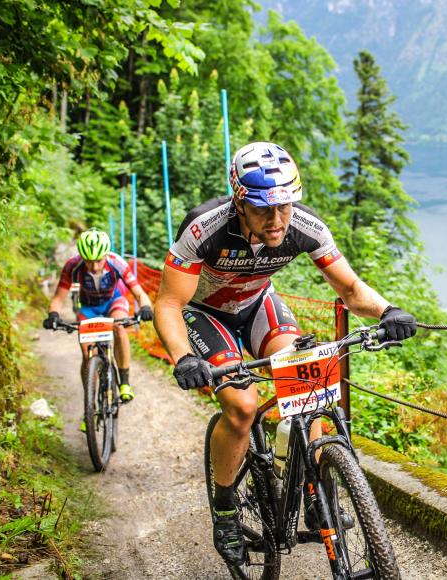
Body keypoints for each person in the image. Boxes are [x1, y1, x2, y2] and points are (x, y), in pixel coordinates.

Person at [153, 141, 417, 564]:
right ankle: (224, 509)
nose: (277, 221)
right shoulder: (204, 228)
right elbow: (167, 303)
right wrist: (185, 357)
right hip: (206, 313)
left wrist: (388, 310)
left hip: (259, 304)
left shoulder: (305, 225)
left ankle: (315, 491)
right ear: (240, 202)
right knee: (241, 407)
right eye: (263, 209)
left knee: (308, 385)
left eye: (286, 207)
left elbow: (349, 289)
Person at [43, 229, 154, 418]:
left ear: (106, 255)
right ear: (81, 257)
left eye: (99, 260)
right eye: (89, 261)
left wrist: (145, 307)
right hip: (88, 308)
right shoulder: (72, 265)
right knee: (87, 354)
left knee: (119, 327)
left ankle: (125, 382)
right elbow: (58, 298)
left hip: (113, 302)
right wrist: (53, 314)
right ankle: (90, 404)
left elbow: (139, 292)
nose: (94, 266)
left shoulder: (116, 262)